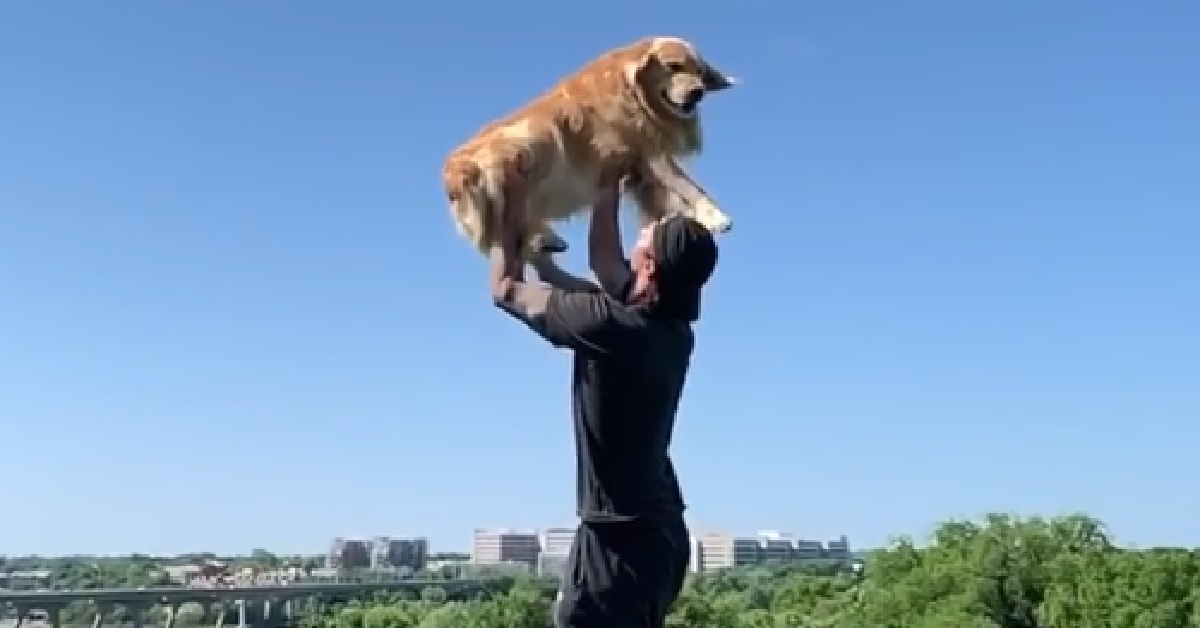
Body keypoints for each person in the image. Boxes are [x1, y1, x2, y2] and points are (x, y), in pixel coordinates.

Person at [488, 181, 719, 628]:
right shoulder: (670, 331)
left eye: (642, 240)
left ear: (648, 268)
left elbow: (504, 288)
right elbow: (599, 292)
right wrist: (547, 261)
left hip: (618, 550)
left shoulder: (613, 328)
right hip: (658, 536)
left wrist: (503, 206)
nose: (634, 241)